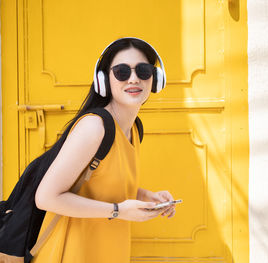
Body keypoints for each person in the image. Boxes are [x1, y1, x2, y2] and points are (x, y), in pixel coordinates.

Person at [32, 37, 175, 263]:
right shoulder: (94, 127)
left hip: (109, 250)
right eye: (121, 72)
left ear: (155, 79)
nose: (134, 78)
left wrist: (146, 196)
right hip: (74, 254)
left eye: (144, 70)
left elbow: (101, 183)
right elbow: (46, 197)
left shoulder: (133, 129)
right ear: (104, 79)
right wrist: (119, 210)